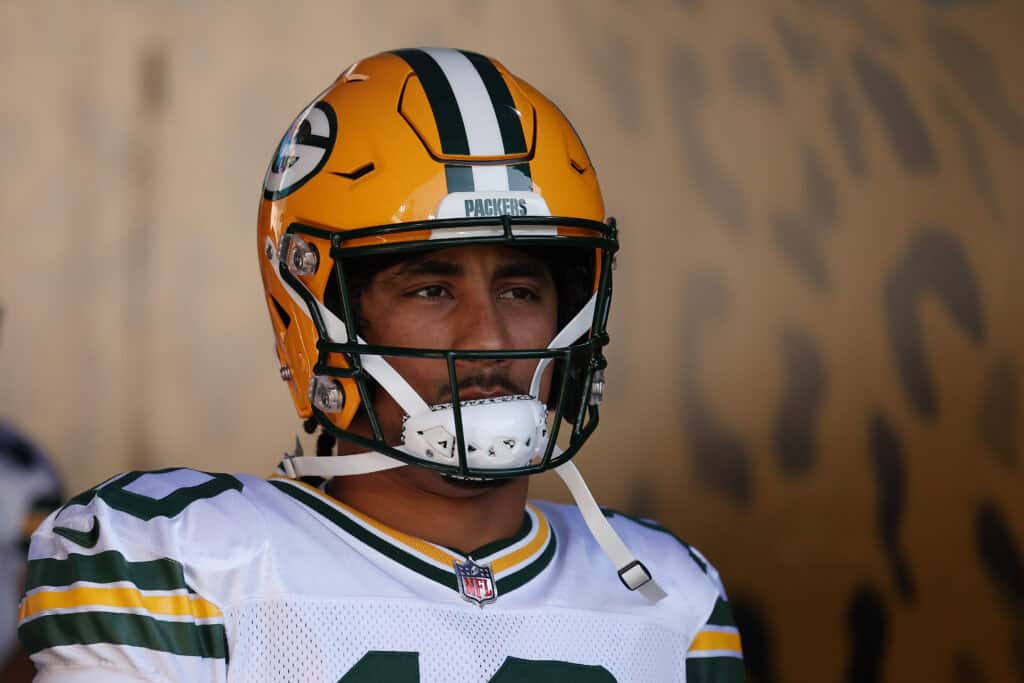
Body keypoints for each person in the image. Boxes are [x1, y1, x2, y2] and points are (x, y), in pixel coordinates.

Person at [18, 48, 744, 681]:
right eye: (431, 288)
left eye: (520, 288)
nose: (488, 338)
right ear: (316, 312)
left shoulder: (671, 591)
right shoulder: (172, 563)